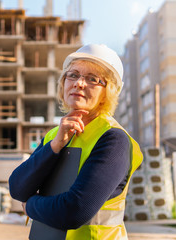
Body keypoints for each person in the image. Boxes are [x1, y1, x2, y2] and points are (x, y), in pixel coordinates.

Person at [9, 44, 143, 240]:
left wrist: (30, 206)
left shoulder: (113, 139)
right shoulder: (55, 134)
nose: (79, 83)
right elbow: (18, 188)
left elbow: (75, 210)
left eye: (93, 79)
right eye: (72, 75)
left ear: (110, 91)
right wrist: (55, 146)